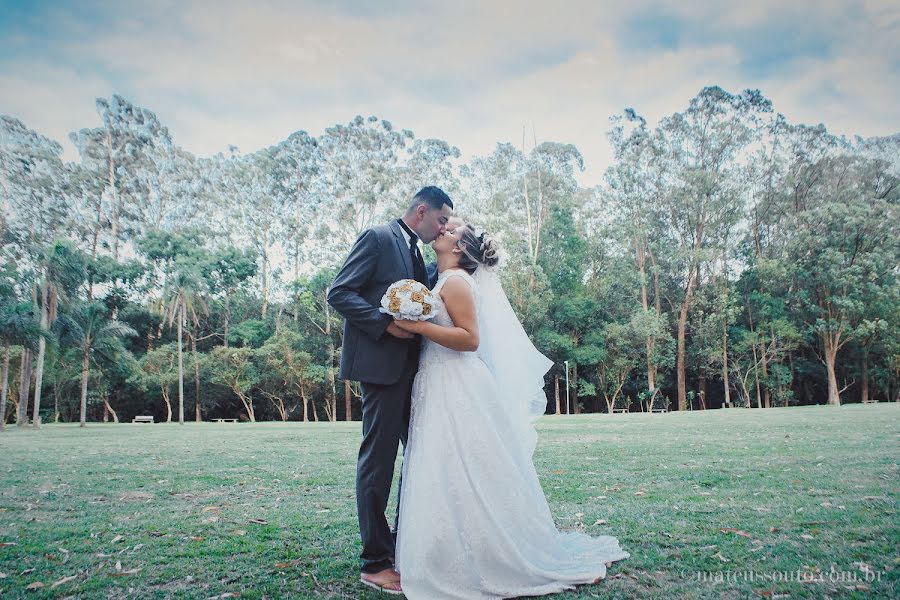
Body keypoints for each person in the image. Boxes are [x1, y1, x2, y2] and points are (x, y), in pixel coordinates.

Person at [392, 222, 630, 599]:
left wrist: (418, 328)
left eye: (451, 230)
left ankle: (483, 554)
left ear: (459, 248)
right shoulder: (445, 280)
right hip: (438, 382)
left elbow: (469, 340)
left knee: (463, 465)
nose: (443, 229)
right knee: (445, 466)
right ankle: (446, 550)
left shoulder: (454, 282)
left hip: (457, 383)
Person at [327, 186, 453, 594]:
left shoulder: (417, 252)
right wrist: (385, 323)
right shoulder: (379, 238)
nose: (444, 227)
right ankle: (374, 562)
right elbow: (339, 292)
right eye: (441, 219)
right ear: (422, 211)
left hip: (413, 373)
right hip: (381, 370)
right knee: (378, 463)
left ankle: (403, 546)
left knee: (420, 458)